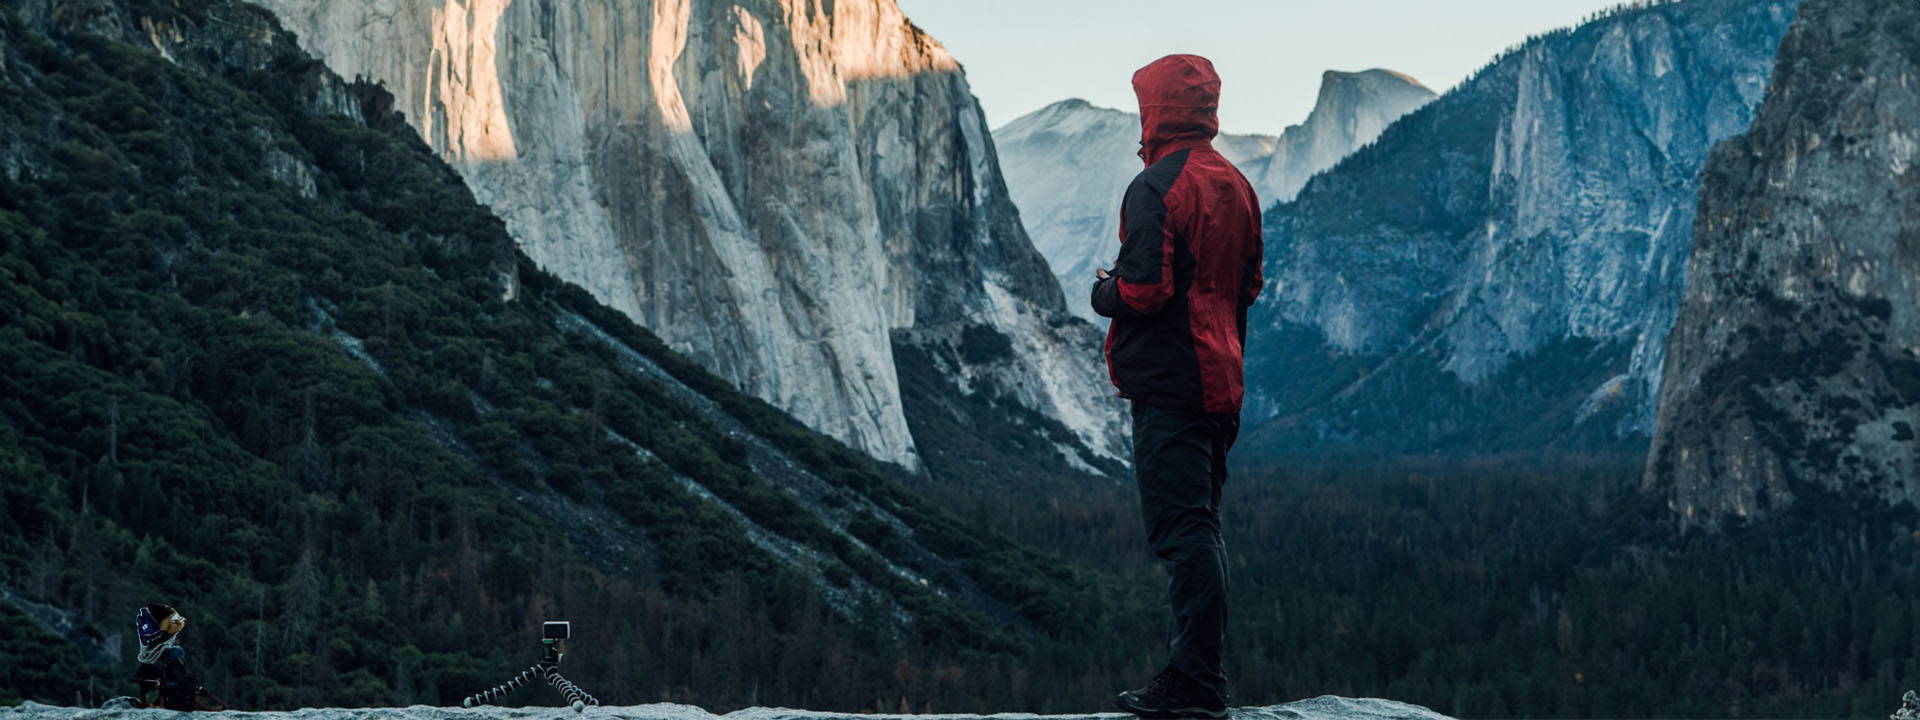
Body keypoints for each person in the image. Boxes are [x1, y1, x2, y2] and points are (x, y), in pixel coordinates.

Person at [1091, 53, 1262, 719]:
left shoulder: (1156, 186)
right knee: (1202, 527)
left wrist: (1103, 291)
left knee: (1181, 533)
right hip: (1222, 384)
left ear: (1155, 109)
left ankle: (1196, 686)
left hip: (1172, 387)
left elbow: (1143, 288)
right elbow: (1248, 286)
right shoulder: (1237, 186)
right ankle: (1195, 676)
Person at [134, 602, 222, 711]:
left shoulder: (166, 644)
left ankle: (181, 691)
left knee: (176, 654)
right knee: (176, 656)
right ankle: (179, 693)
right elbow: (150, 643)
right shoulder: (151, 628)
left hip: (162, 668)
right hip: (156, 667)